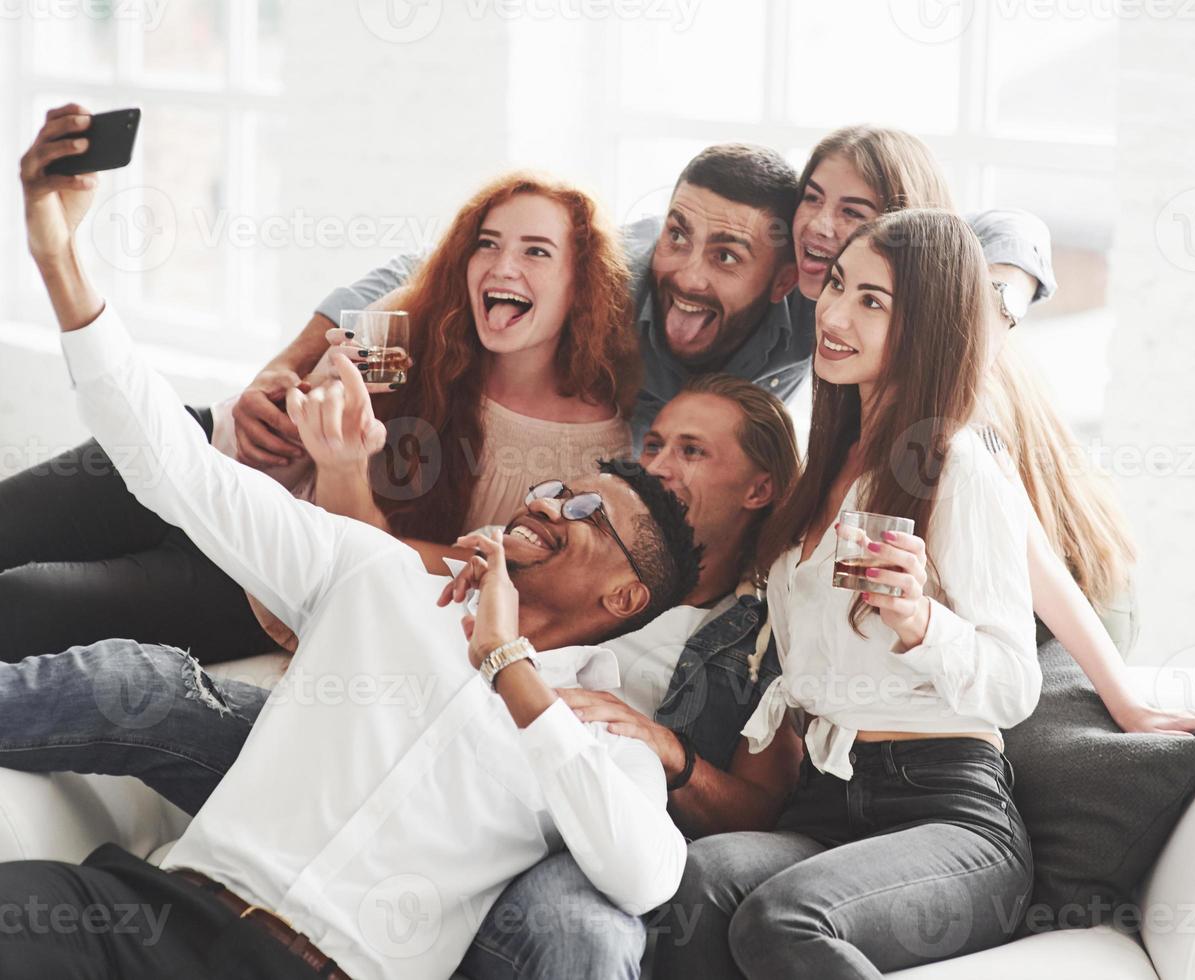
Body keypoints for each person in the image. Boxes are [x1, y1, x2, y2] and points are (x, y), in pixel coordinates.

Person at [9, 105, 700, 978]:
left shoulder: (599, 737)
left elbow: (647, 873)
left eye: (587, 512)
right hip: (154, 917)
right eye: (560, 490)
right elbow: (171, 465)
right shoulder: (377, 574)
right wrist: (59, 258)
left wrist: (509, 668)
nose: (552, 504)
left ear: (626, 597)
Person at [0, 371, 806, 979]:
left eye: (690, 453)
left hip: (543, 816)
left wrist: (522, 674)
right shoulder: (438, 579)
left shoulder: (756, 629)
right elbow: (221, 493)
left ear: (760, 487)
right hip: (222, 878)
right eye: (654, 443)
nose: (660, 465)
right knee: (146, 686)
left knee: (585, 937)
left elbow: (659, 861)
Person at [0, 164, 640, 663]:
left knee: (22, 602)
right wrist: (283, 401)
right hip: (216, 456)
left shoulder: (586, 459)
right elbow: (307, 397)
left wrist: (345, 466)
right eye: (488, 244)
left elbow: (447, 572)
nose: (501, 265)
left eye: (536, 252)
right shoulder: (421, 324)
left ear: (581, 283)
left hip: (259, 577)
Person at [658, 208, 1039, 979]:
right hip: (829, 802)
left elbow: (1014, 687)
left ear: (926, 324)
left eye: (873, 301)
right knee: (692, 885)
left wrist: (920, 619)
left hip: (946, 810)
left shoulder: (957, 465)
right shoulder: (821, 473)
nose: (832, 314)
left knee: (784, 919)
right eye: (836, 285)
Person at [784, 124, 1195, 739]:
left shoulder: (953, 392)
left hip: (1075, 595)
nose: (821, 224)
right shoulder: (849, 347)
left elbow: (1033, 558)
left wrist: (1126, 701)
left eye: (852, 211)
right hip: (978, 597)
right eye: (812, 197)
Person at [232, 142, 1056, 454]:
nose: (688, 275)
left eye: (727, 255)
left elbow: (1003, 225)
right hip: (462, 434)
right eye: (815, 202)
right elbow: (425, 274)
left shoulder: (827, 305)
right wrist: (284, 370)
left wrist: (995, 301)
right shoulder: (618, 268)